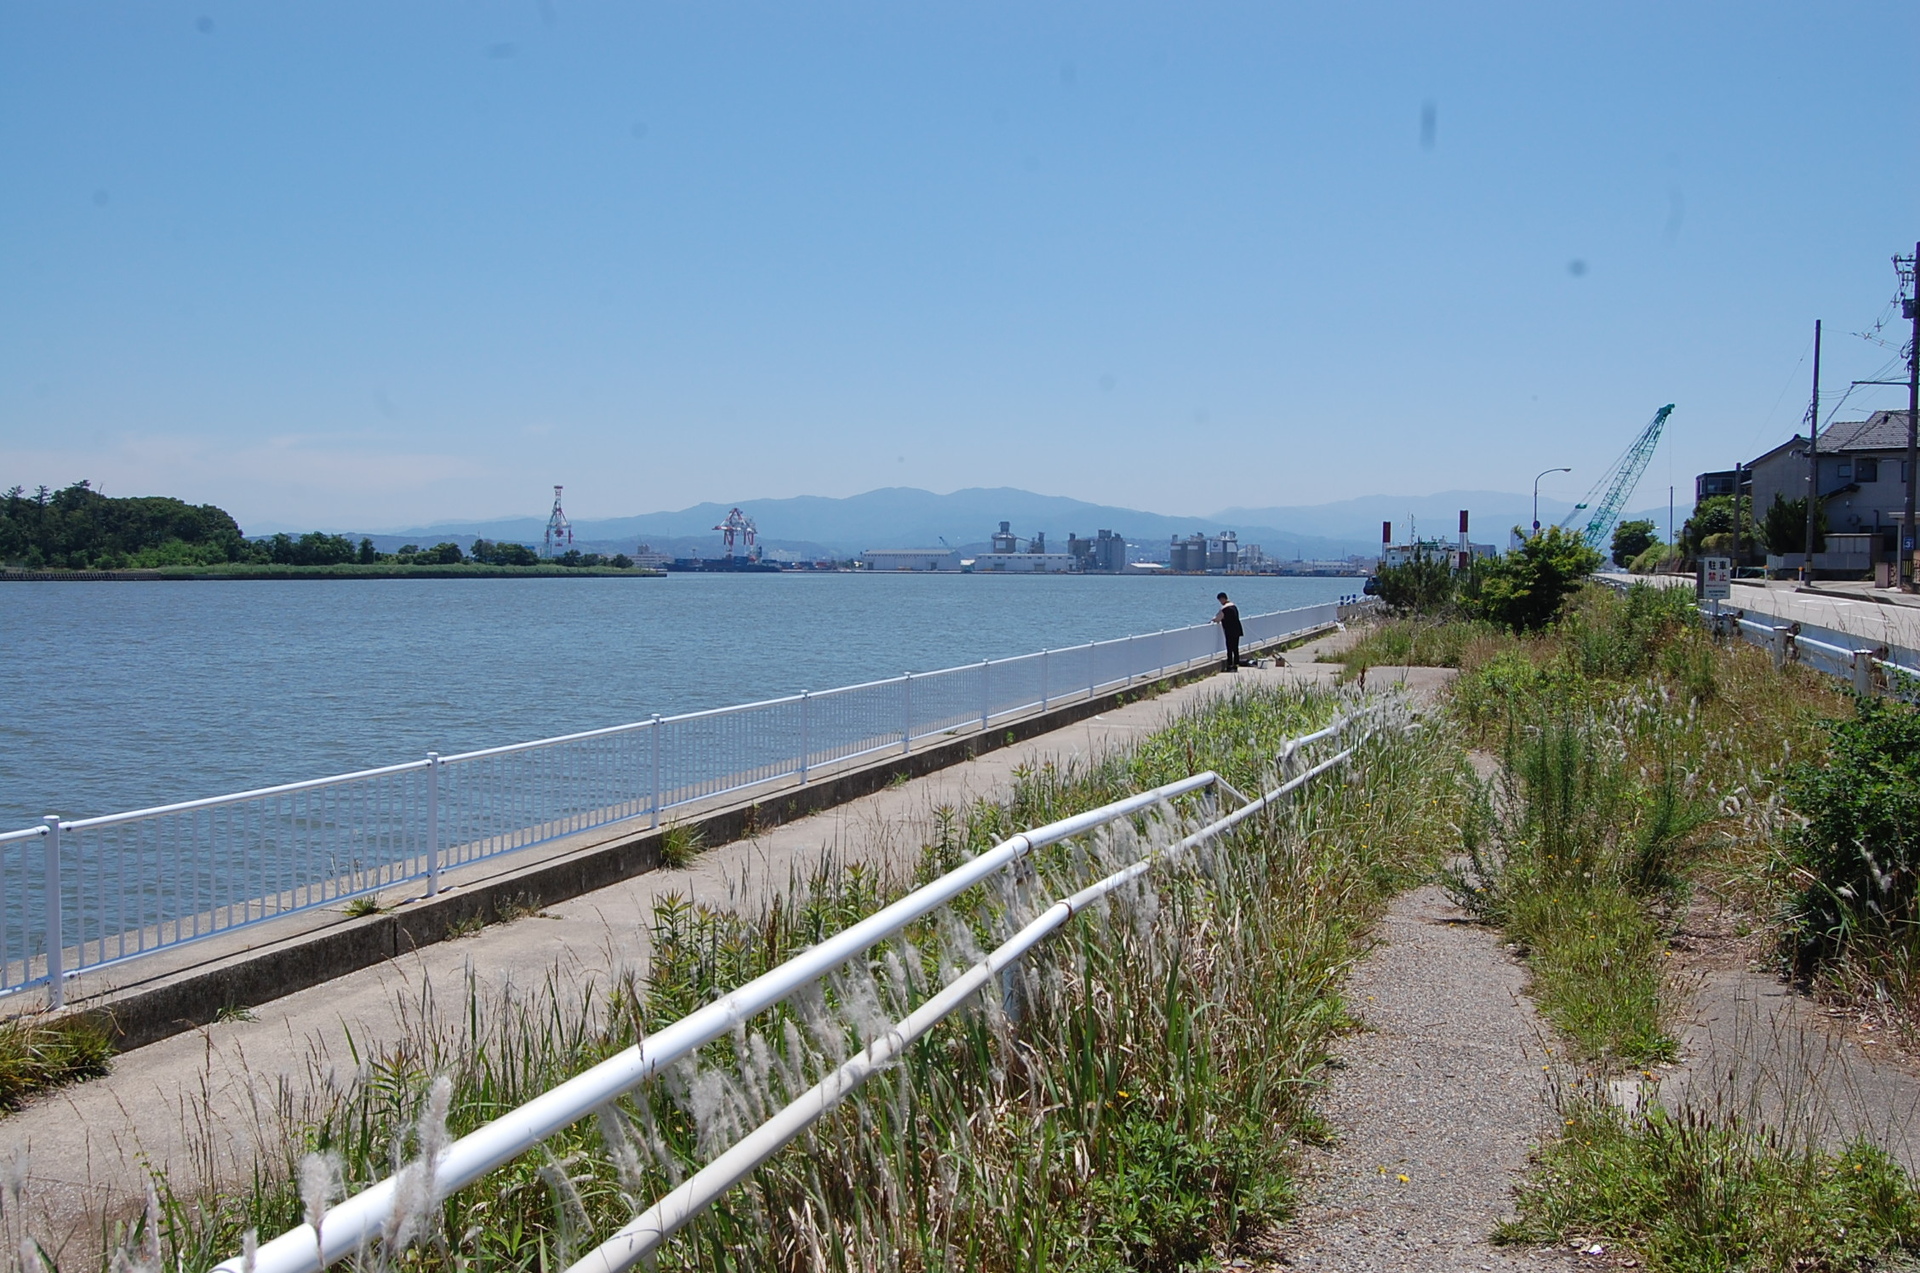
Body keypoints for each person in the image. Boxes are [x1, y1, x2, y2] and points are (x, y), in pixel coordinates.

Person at [1212, 592, 1243, 671]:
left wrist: (1213, 620)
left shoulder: (1224, 608)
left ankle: (1229, 665)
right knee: (1235, 648)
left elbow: (1218, 618)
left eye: (1220, 600)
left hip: (1230, 630)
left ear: (1222, 599)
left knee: (1229, 648)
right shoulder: (1234, 606)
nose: (1220, 602)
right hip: (1237, 629)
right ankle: (1236, 664)